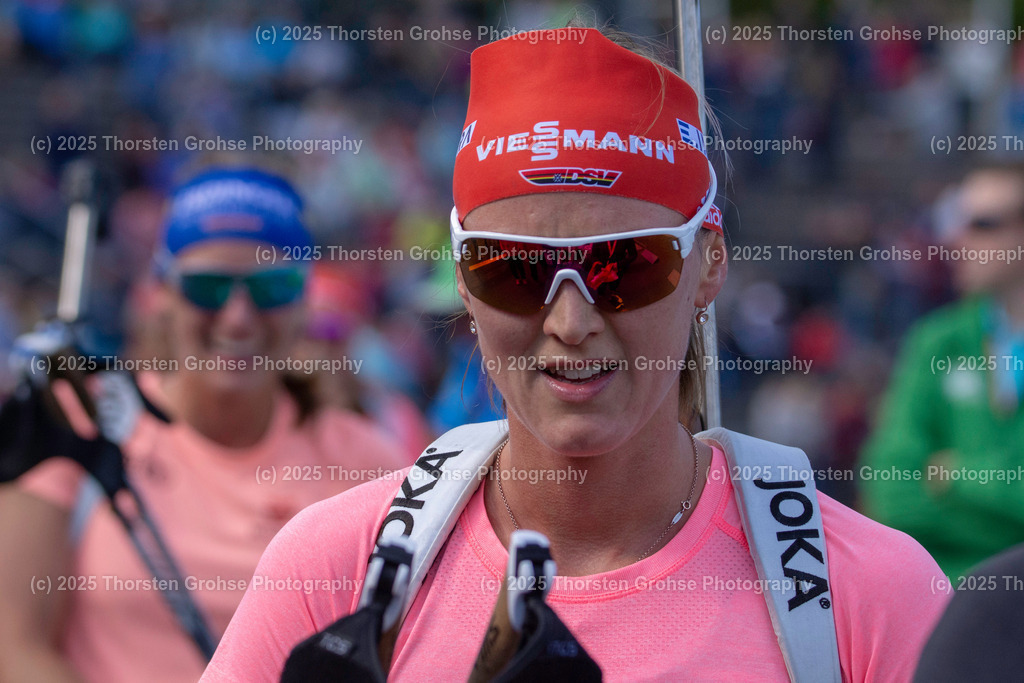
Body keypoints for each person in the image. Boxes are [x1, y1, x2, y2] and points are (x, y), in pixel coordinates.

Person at [201, 28, 948, 682]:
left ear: (707, 265)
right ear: (463, 279)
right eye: (515, 270)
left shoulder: (867, 592)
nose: (570, 319)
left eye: (623, 267)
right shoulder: (337, 569)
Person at [0, 166, 408, 683]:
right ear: (162, 298)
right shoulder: (78, 420)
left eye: (271, 288)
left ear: (305, 300)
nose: (238, 317)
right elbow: (15, 649)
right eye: (207, 288)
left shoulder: (369, 462)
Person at [860, 162, 1024, 582]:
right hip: (952, 613)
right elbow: (891, 491)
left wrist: (956, 475)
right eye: (955, 220)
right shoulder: (936, 341)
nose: (954, 239)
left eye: (982, 224)